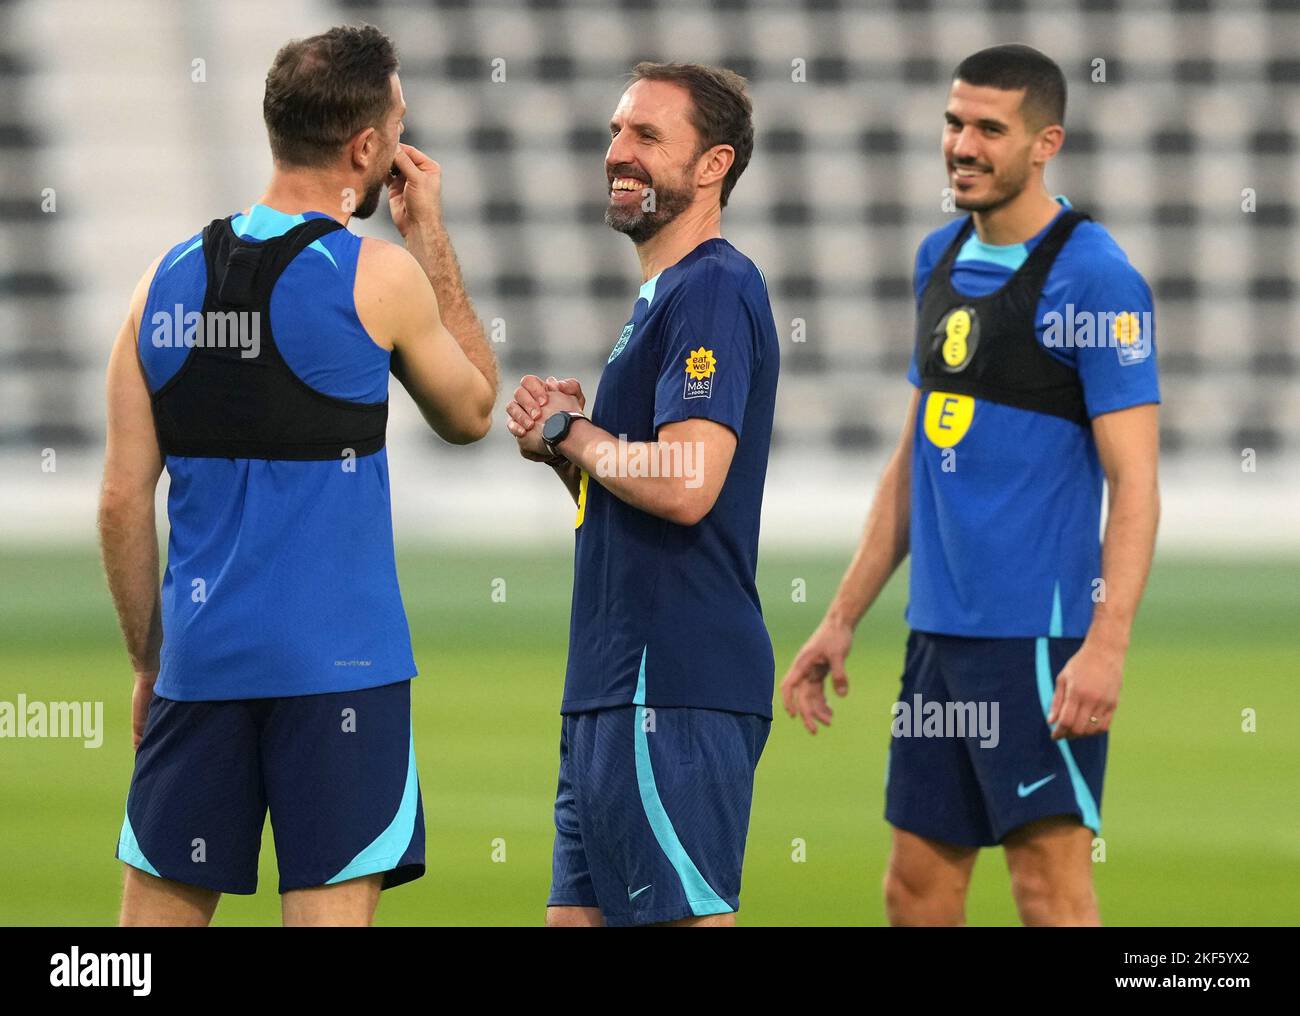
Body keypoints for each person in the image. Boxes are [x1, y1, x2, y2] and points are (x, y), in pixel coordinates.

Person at [99, 24, 497, 926]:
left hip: (198, 667)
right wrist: (429, 233)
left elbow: (124, 499)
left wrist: (148, 663)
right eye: (396, 124)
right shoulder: (379, 276)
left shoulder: (158, 282)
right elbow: (473, 413)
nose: (401, 141)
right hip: (341, 671)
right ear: (365, 147)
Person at [781, 44, 1160, 926]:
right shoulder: (938, 257)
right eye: (955, 122)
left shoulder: (1096, 279)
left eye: (991, 128)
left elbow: (1135, 484)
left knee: (1047, 892)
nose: (963, 144)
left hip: (1039, 642)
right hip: (936, 640)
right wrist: (841, 619)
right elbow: (915, 457)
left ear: (1044, 143)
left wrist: (1105, 646)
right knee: (915, 890)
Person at [505, 62, 779, 927]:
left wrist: (572, 435)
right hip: (611, 682)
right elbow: (640, 490)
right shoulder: (661, 300)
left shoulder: (712, 289)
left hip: (671, 683)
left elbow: (691, 483)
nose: (618, 152)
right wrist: (569, 455)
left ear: (713, 166)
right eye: (617, 132)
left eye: (647, 136)